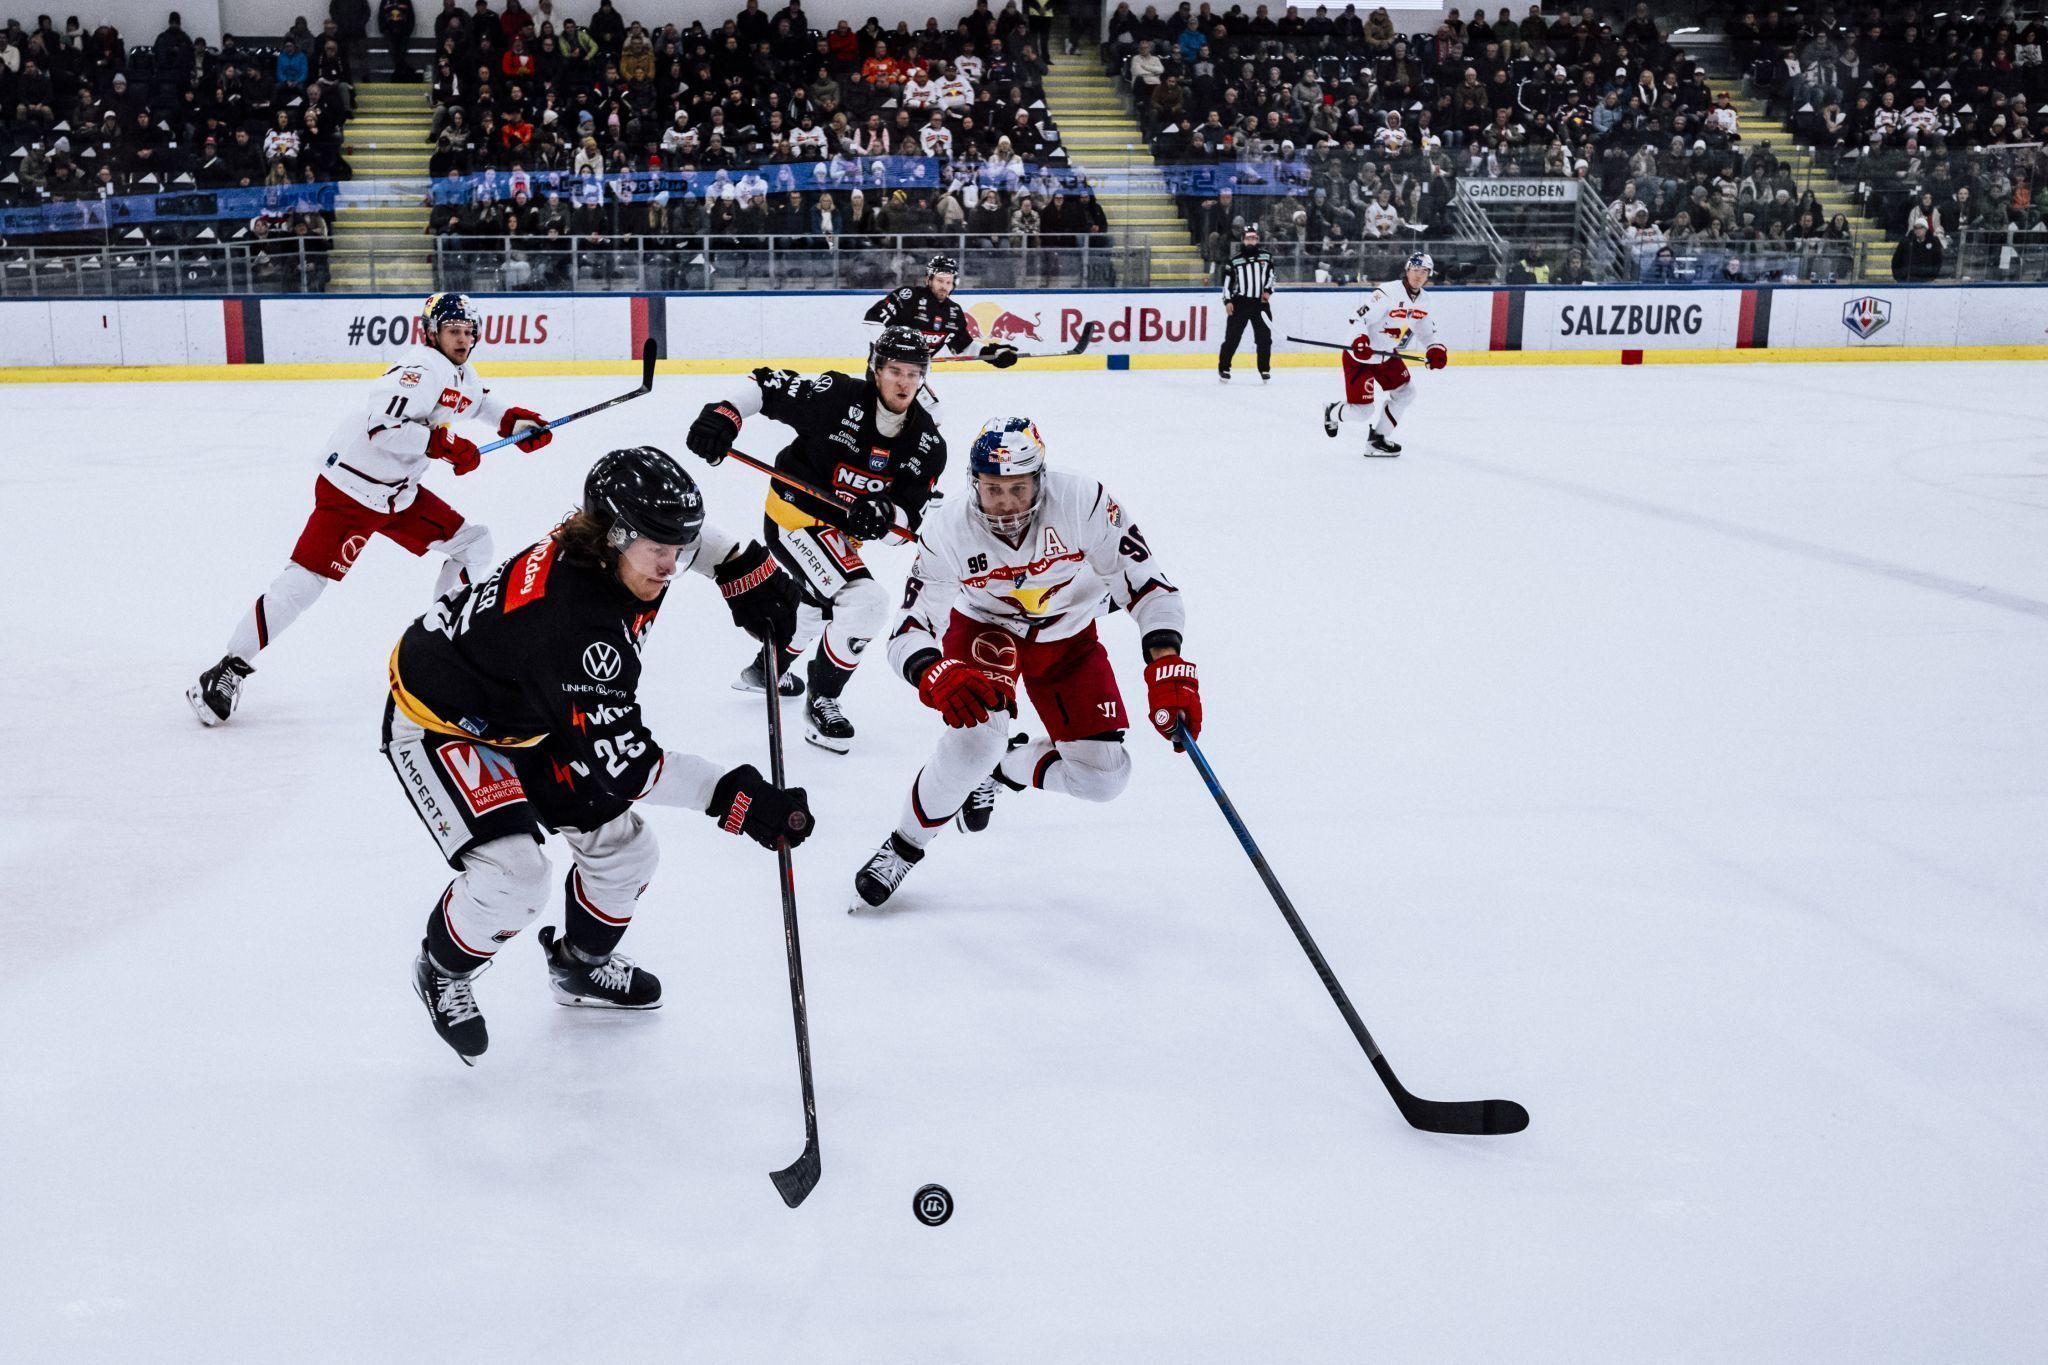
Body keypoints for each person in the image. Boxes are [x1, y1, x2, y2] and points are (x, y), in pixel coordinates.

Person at [388, 446, 810, 1063]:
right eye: (658, 552)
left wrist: (745, 567)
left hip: (532, 709)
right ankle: (443, 969)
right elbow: (631, 766)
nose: (670, 566)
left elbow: (693, 544)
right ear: (614, 537)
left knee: (626, 853)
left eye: (677, 548)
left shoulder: (619, 544)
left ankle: (581, 967)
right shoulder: (572, 625)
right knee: (515, 877)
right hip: (444, 724)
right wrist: (738, 799)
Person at [851, 416, 1200, 909]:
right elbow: (909, 627)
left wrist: (1167, 666)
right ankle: (904, 846)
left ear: (1040, 478)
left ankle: (1006, 769)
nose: (1007, 505)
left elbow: (1148, 585)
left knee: (1104, 779)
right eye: (993, 490)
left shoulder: (1085, 501)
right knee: (976, 737)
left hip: (1070, 635)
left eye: (1018, 489)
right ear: (974, 484)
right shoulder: (948, 529)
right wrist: (934, 671)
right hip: (986, 632)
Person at [187, 293, 552, 726]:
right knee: (304, 584)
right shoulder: (419, 369)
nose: (463, 339)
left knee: (474, 544)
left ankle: (443, 643)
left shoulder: (459, 372)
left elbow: (477, 402)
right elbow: (383, 426)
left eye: (469, 331)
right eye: (453, 330)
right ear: (432, 332)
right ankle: (227, 668)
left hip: (398, 496)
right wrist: (442, 444)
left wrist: (513, 422)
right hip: (351, 492)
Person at [683, 326, 949, 750]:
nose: (904, 382)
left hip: (840, 536)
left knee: (817, 606)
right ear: (875, 369)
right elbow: (765, 383)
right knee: (864, 602)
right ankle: (822, 698)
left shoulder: (927, 443)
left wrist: (883, 515)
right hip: (794, 515)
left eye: (914, 372)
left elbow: (907, 526)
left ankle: (765, 668)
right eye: (895, 370)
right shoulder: (837, 397)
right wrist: (725, 414)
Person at [1321, 251, 1446, 457]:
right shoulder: (1387, 292)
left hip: (1387, 355)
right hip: (1360, 357)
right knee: (1363, 411)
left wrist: (1436, 348)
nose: (1419, 275)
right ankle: (1332, 411)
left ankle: (1377, 440)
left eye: (1424, 271)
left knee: (1406, 393)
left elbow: (1426, 329)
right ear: (1407, 270)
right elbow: (1358, 318)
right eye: (1415, 270)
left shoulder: (1424, 300)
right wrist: (1360, 340)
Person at [862, 253, 1020, 413]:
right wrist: (893, 350)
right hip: (886, 373)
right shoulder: (908, 297)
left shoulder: (954, 312)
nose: (944, 286)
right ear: (928, 279)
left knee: (931, 414)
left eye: (948, 282)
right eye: (939, 280)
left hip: (914, 376)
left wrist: (993, 354)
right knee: (884, 415)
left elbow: (963, 346)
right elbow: (872, 320)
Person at [1216, 224, 1274, 382]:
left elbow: (1271, 276)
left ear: (1258, 240)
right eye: (1248, 238)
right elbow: (1227, 284)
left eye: (1254, 238)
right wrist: (1227, 301)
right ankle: (1224, 368)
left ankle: (1264, 369)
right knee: (1232, 338)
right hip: (1240, 303)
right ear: (1242, 240)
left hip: (1260, 304)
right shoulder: (1234, 262)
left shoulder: (1266, 257)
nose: (1251, 241)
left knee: (1264, 338)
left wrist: (1268, 291)